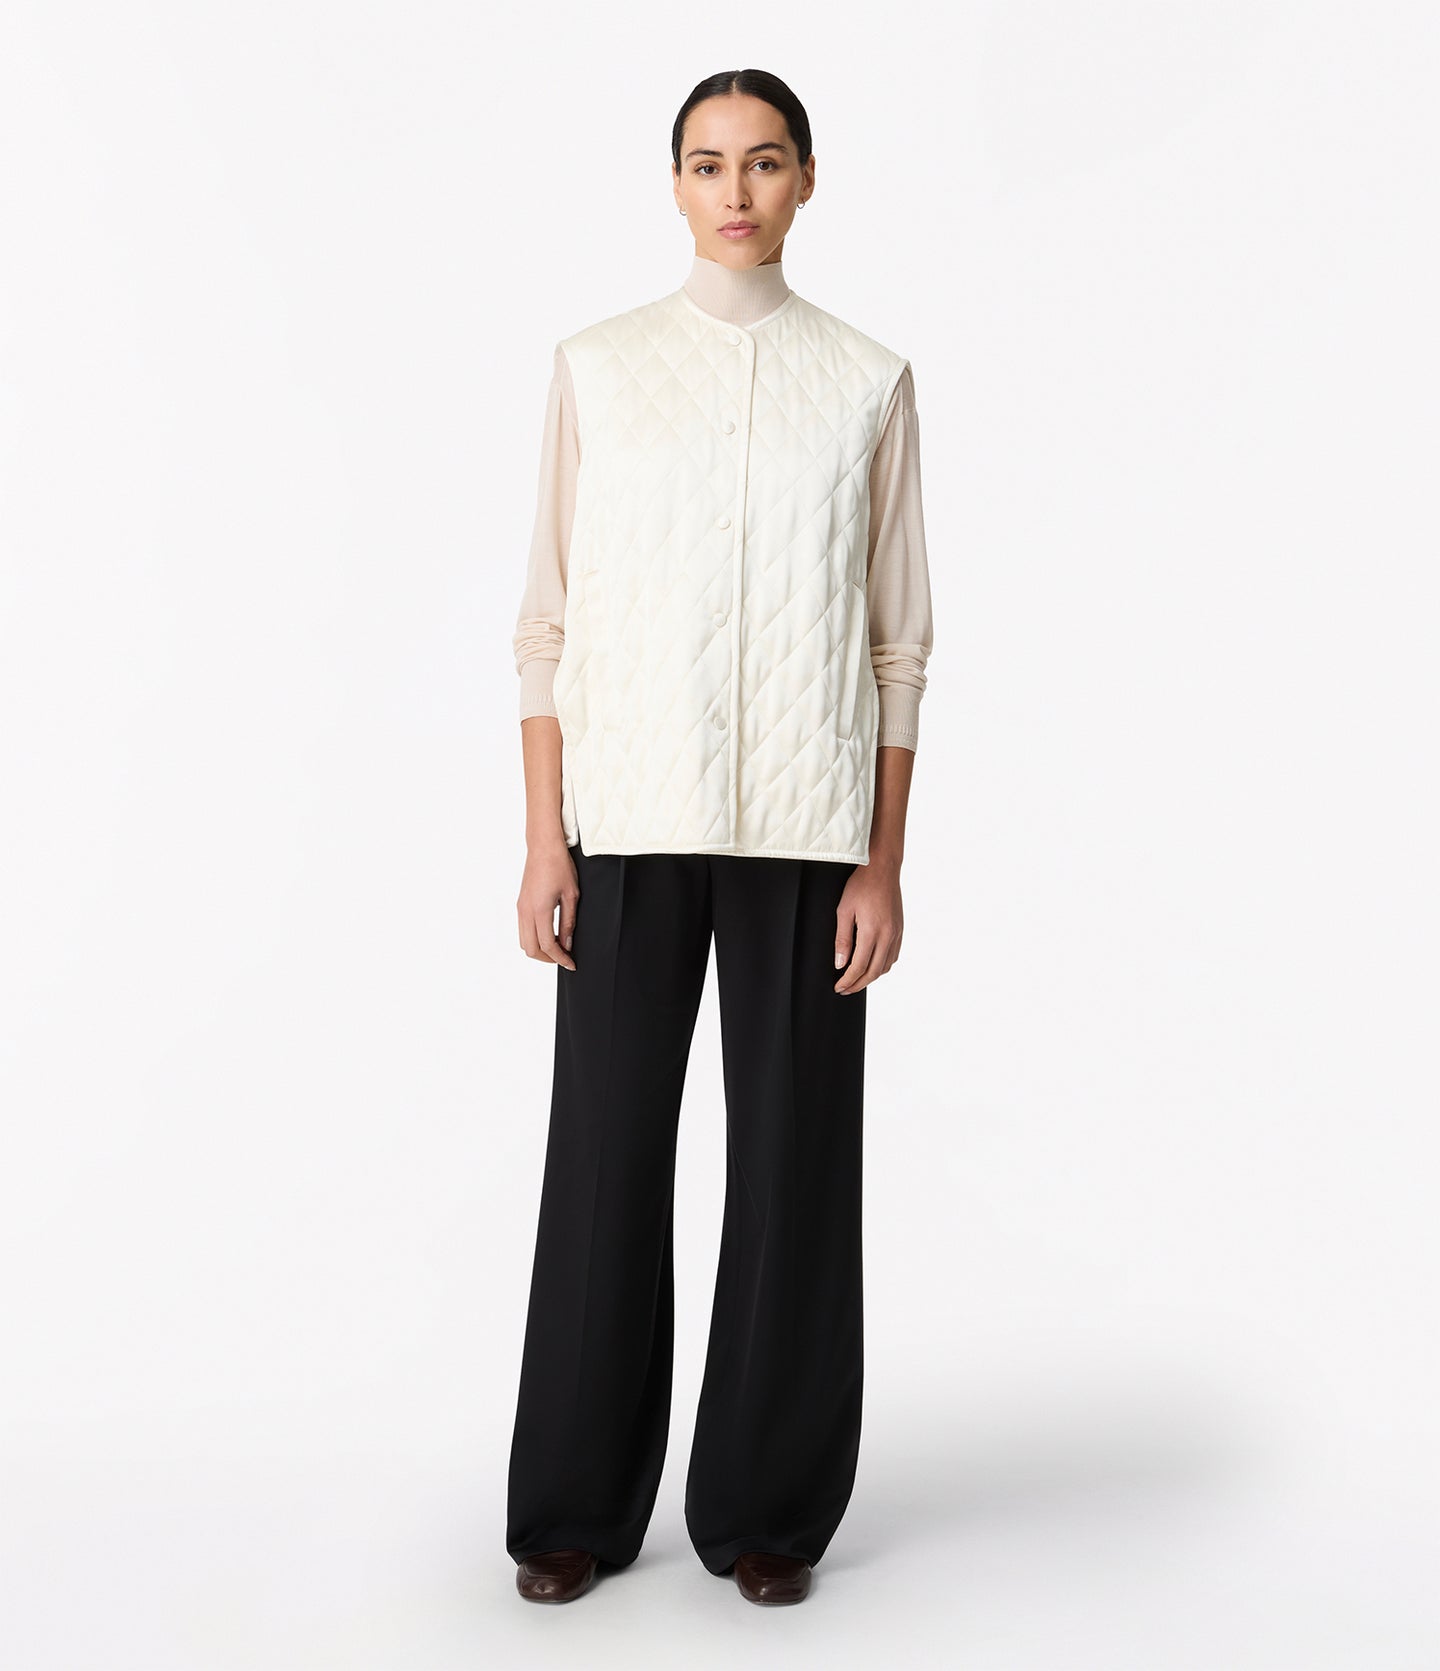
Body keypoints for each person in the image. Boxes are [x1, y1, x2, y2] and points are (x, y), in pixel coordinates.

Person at [505, 67, 935, 1607]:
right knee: (605, 1159)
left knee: (796, 1163)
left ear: (807, 179)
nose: (735, 191)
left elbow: (898, 641)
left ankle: (769, 1509)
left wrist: (882, 860)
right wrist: (545, 839)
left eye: (763, 162)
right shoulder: (601, 369)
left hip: (810, 833)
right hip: (625, 820)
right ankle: (573, 1504)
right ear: (674, 184)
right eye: (707, 163)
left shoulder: (868, 380)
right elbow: (546, 622)